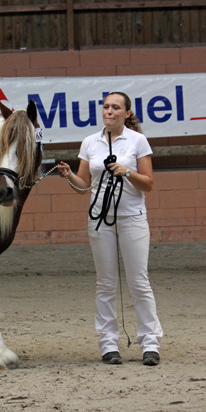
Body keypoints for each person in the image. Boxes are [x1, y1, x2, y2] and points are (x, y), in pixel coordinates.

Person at [57, 91, 163, 366]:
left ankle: (150, 343)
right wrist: (69, 175)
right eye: (106, 107)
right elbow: (84, 185)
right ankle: (108, 344)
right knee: (105, 283)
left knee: (139, 281)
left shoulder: (138, 140)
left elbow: (148, 183)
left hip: (132, 218)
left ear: (127, 113)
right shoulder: (90, 142)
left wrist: (126, 172)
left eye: (116, 107)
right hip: (100, 219)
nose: (109, 111)